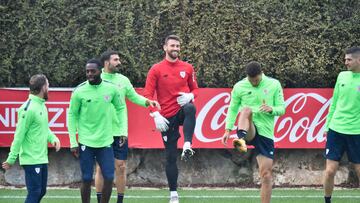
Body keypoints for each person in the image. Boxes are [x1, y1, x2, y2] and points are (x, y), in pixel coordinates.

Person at [94, 50, 159, 203]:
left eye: (119, 59)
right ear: (106, 63)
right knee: (100, 168)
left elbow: (133, 96)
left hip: (119, 130)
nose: (119, 62)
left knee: (121, 166)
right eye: (115, 60)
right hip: (101, 131)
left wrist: (147, 102)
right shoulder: (96, 79)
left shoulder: (123, 80)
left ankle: (120, 201)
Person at [143, 35, 199, 203]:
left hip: (180, 111)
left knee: (190, 107)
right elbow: (147, 94)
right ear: (165, 48)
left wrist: (190, 95)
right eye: (172, 46)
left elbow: (196, 90)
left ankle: (188, 144)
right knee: (170, 156)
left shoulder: (188, 68)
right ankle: (173, 193)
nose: (176, 48)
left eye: (178, 46)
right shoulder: (156, 69)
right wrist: (155, 114)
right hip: (165, 118)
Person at [221, 61, 285, 203]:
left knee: (266, 175)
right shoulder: (239, 86)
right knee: (246, 110)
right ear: (247, 77)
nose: (254, 83)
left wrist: (272, 109)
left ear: (261, 74)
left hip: (266, 132)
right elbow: (232, 109)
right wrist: (227, 129)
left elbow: (282, 108)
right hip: (249, 128)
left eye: (256, 80)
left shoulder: (274, 84)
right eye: (251, 80)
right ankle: (241, 140)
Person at [68, 58, 124, 203]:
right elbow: (72, 115)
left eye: (93, 71)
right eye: (87, 71)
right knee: (86, 178)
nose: (89, 74)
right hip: (86, 141)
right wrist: (73, 141)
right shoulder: (79, 91)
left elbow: (120, 107)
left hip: (105, 141)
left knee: (110, 177)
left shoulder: (111, 88)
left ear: (100, 71)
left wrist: (122, 130)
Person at [2, 74, 61, 203]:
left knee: (41, 191)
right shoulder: (27, 109)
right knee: (34, 192)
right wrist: (11, 158)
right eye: (48, 85)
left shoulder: (41, 105)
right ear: (43, 88)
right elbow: (19, 135)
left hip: (41, 157)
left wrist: (53, 138)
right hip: (31, 158)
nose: (49, 88)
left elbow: (44, 128)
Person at [323, 47, 360, 203]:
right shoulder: (342, 76)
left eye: (349, 60)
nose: (346, 62)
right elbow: (335, 102)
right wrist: (327, 126)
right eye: (345, 59)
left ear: (359, 60)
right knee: (330, 171)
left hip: (356, 132)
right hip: (335, 130)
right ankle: (327, 200)